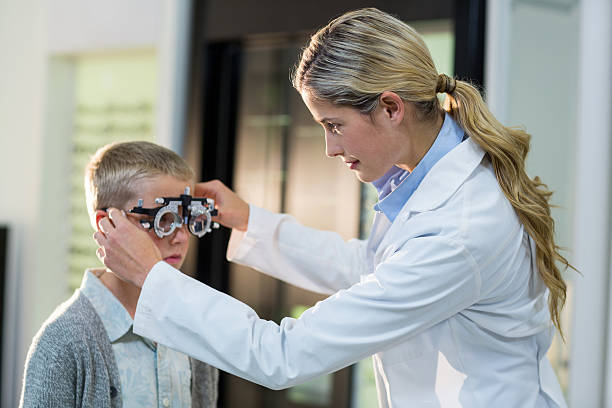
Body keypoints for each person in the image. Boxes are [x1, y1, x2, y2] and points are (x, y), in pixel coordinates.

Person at [94, 8, 572, 408]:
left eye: (334, 125)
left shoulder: (460, 229)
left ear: (390, 108)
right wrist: (250, 222)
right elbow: (372, 268)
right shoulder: (424, 178)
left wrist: (153, 277)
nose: (328, 147)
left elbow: (285, 355)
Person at [20, 142, 218, 407]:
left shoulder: (194, 328)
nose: (181, 237)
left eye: (186, 216)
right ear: (107, 223)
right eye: (164, 219)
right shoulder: (63, 342)